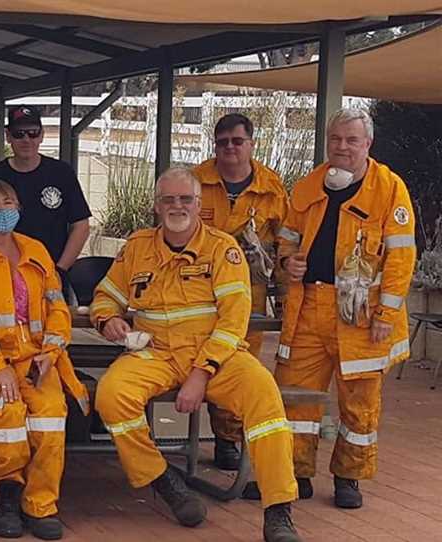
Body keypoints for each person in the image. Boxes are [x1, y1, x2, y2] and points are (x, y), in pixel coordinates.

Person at [92, 168, 301, 542]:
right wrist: (108, 320)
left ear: (199, 205)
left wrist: (201, 373)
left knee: (264, 396)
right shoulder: (137, 247)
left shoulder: (223, 249)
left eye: (185, 199)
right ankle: (163, 480)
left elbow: (234, 320)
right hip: (155, 353)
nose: (177, 206)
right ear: (156, 206)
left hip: (216, 355)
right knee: (111, 395)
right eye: (168, 200)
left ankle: (278, 510)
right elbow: (107, 295)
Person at [274, 108, 415, 509]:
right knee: (296, 398)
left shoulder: (389, 189)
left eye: (352, 140)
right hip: (308, 308)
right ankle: (296, 474)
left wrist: (386, 316)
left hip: (362, 317)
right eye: (336, 139)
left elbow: (401, 259)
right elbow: (286, 239)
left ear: (367, 144)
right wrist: (288, 261)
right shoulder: (307, 186)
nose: (342, 147)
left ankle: (348, 478)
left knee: (359, 402)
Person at [0, 179, 90, 541]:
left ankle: (40, 504)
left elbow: (58, 304)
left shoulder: (36, 251)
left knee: (51, 421)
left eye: (8, 203)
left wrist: (51, 352)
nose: (2, 210)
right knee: (7, 420)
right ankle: (5, 496)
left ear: (19, 209)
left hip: (38, 358)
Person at [193, 113, 289, 470]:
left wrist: (285, 288)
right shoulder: (195, 181)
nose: (229, 148)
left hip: (250, 291)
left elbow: (286, 241)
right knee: (203, 353)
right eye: (222, 142)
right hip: (197, 289)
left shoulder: (271, 188)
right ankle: (209, 434)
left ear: (251, 143)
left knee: (238, 359)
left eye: (237, 141)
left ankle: (228, 439)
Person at [0, 106, 91, 299]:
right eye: (19, 133)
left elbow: (80, 225)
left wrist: (60, 270)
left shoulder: (61, 173)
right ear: (8, 136)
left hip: (50, 275)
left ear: (42, 135)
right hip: (3, 277)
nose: (26, 140)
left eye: (33, 133)